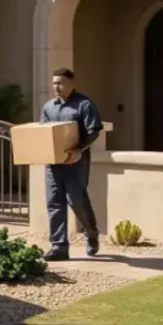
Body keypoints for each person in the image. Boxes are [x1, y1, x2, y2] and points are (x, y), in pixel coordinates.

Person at [40, 68, 102, 261]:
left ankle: (91, 233)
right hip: (53, 164)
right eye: (54, 83)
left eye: (61, 83)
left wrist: (79, 150)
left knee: (77, 201)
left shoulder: (84, 105)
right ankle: (59, 247)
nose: (57, 87)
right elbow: (43, 132)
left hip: (76, 163)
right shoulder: (48, 107)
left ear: (71, 84)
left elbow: (93, 131)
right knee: (54, 203)